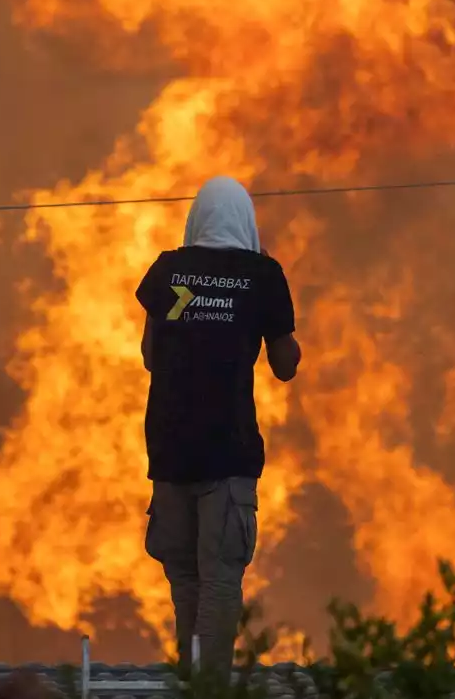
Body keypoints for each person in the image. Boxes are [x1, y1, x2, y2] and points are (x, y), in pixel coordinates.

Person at [135, 176, 301, 677]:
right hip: (228, 453)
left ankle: (192, 678)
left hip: (168, 449)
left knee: (184, 575)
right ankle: (212, 687)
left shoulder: (168, 271)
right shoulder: (261, 274)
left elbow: (148, 356)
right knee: (221, 575)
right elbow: (285, 365)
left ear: (196, 219)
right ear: (246, 222)